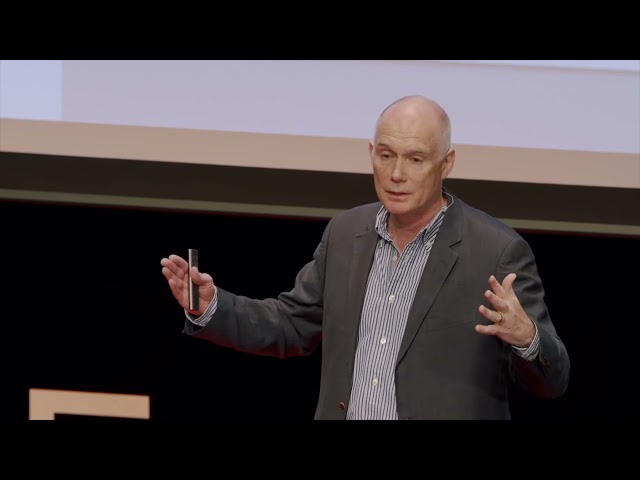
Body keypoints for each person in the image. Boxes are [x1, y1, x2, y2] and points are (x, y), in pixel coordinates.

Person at [160, 95, 570, 420]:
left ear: (446, 163)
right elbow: (291, 325)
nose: (396, 174)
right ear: (371, 152)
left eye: (415, 159)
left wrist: (528, 338)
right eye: (386, 155)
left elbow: (554, 380)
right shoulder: (346, 234)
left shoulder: (496, 251)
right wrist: (211, 306)